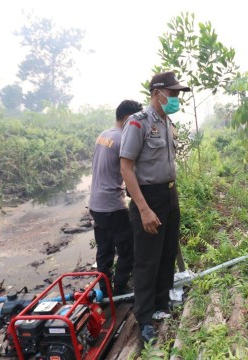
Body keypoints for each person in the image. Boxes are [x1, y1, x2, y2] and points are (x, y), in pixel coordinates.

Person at [120, 71, 189, 344]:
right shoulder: (138, 124)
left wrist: (172, 196)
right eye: (172, 94)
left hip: (169, 195)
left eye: (177, 94)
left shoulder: (166, 122)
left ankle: (161, 303)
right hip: (147, 197)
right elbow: (126, 167)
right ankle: (145, 318)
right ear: (157, 93)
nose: (175, 98)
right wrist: (144, 209)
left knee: (167, 251)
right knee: (147, 259)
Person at [89, 100, 142, 298]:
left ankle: (103, 290)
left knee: (104, 250)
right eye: (137, 119)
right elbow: (126, 172)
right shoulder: (123, 140)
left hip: (95, 203)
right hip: (112, 205)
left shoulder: (104, 135)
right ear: (128, 118)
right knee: (128, 248)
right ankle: (120, 287)